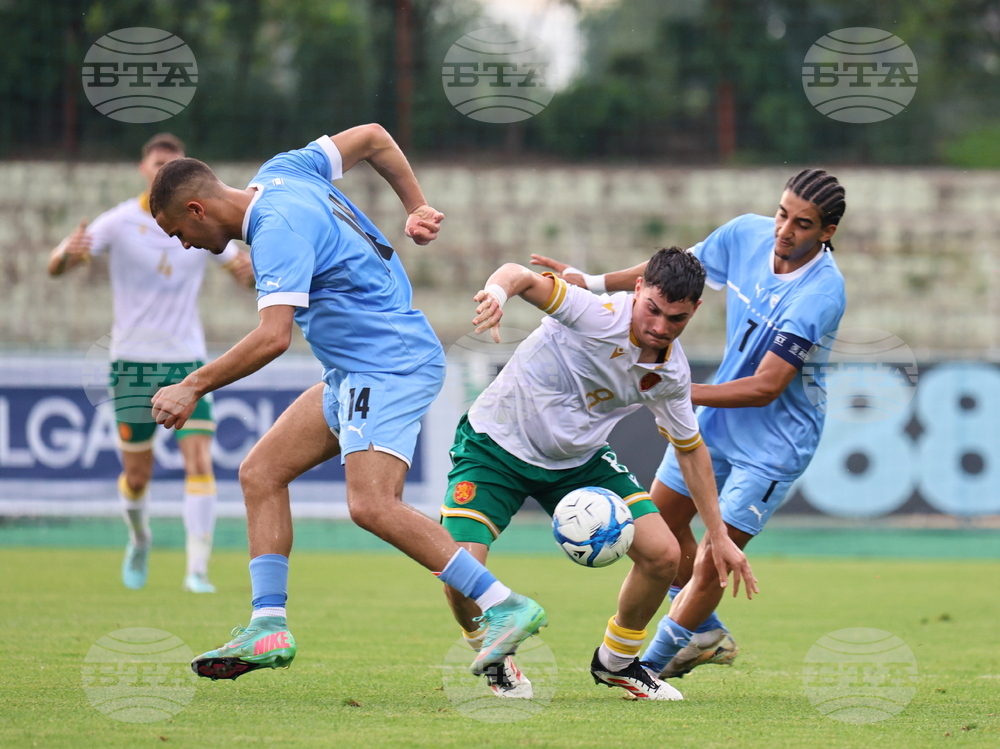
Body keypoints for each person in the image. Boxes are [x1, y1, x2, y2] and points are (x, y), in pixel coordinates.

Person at [145, 123, 546, 681]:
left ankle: (505, 604)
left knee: (371, 505)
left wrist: (193, 384)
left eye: (175, 232)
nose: (181, 245)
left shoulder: (275, 229)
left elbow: (272, 337)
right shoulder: (283, 172)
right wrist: (416, 205)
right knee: (261, 472)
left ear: (195, 208)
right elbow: (375, 137)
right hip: (356, 368)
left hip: (388, 365)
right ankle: (268, 625)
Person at [530, 169, 847, 679]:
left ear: (826, 232)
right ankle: (702, 632)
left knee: (713, 557)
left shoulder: (821, 294)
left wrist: (674, 390)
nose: (784, 230)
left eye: (802, 223)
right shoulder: (746, 232)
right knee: (660, 530)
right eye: (783, 213)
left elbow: (767, 386)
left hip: (775, 445)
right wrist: (589, 283)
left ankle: (647, 667)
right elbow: (665, 274)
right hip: (717, 424)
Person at [441, 248, 757, 700]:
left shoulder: (670, 372)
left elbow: (690, 450)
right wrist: (496, 293)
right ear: (638, 289)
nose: (660, 327)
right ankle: (494, 655)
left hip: (578, 462)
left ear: (695, 311)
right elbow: (518, 275)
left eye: (677, 319)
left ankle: (617, 663)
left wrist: (718, 534)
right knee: (459, 568)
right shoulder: (592, 311)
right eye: (653, 310)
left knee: (664, 555)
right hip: (495, 445)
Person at [47, 133, 254, 594]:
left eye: (172, 163)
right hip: (132, 365)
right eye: (157, 162)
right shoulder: (120, 221)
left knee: (198, 460)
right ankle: (139, 538)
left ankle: (196, 570)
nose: (163, 168)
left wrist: (249, 275)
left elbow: (243, 271)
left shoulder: (197, 218)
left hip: (186, 360)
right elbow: (57, 264)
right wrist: (66, 254)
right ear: (144, 168)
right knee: (137, 476)